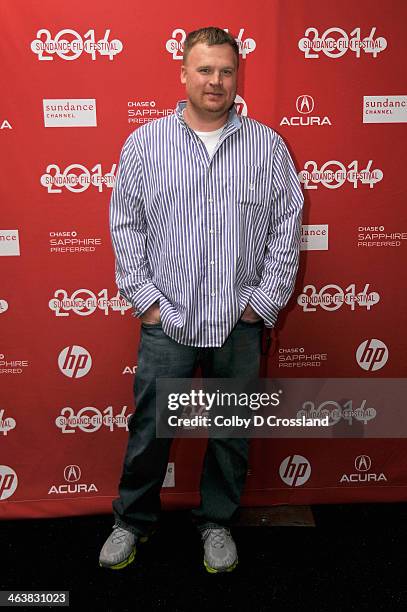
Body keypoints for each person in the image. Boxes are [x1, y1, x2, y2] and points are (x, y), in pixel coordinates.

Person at [99, 26, 304, 573]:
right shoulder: (145, 144)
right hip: (167, 318)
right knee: (149, 433)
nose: (216, 81)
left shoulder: (267, 146)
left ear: (238, 76)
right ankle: (131, 521)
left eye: (226, 71)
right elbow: (126, 227)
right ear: (184, 73)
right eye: (205, 69)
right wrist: (146, 302)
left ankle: (217, 523)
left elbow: (288, 226)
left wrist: (262, 304)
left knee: (231, 432)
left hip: (239, 320)